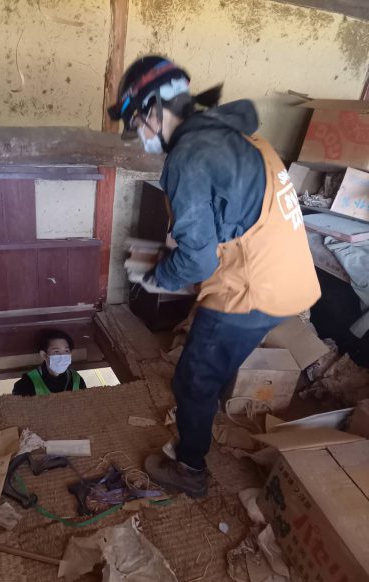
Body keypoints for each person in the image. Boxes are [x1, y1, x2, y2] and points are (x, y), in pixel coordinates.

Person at [108, 56, 321, 498]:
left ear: (154, 110)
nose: (140, 135)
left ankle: (189, 468)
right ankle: (208, 412)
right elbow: (230, 223)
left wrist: (156, 276)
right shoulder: (240, 137)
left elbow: (198, 263)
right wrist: (175, 256)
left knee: (191, 378)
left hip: (251, 290)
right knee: (215, 363)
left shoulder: (188, 157)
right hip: (291, 277)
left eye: (137, 123)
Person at [12, 329, 86, 396]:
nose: (62, 356)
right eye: (56, 351)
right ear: (44, 355)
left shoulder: (77, 379)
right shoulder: (26, 384)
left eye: (66, 351)